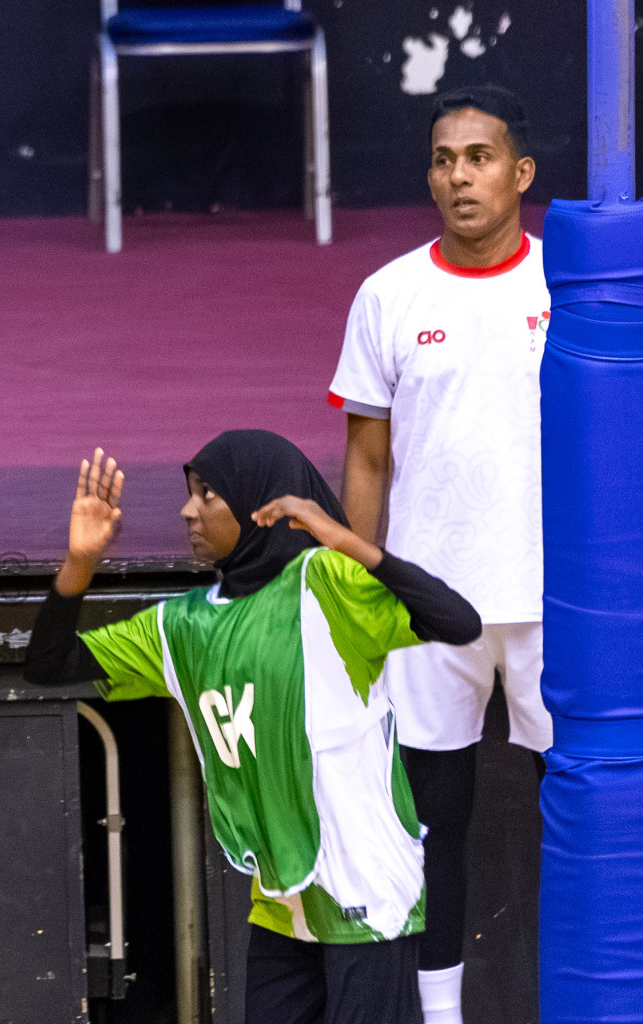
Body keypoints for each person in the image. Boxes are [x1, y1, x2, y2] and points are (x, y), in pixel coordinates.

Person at [25, 435, 482, 1024]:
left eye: (207, 494)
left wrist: (345, 540)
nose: (188, 511)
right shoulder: (180, 626)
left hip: (368, 893)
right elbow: (49, 664)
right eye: (190, 495)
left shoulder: (325, 582)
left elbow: (458, 621)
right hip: (282, 905)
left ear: (259, 505)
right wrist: (79, 564)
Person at [326, 84, 551, 1024]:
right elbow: (367, 458)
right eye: (443, 160)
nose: (459, 176)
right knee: (432, 824)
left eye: (479, 158)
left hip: (554, 603)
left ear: (520, 172)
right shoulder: (388, 294)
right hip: (427, 606)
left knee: (581, 814)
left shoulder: (568, 285)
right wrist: (357, 590)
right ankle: (441, 1016)